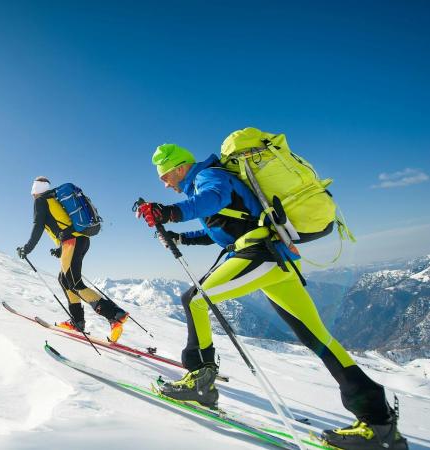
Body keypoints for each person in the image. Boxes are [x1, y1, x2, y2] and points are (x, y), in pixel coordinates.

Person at [135, 143, 407, 450]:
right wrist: (181, 236)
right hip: (273, 259)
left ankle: (200, 382)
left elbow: (213, 200)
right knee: (317, 338)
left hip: (260, 255)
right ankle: (379, 423)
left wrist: (171, 213)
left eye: (165, 176)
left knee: (195, 300)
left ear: (180, 167)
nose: (164, 183)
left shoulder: (208, 177)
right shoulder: (206, 183)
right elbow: (223, 229)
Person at [17, 176, 130, 342]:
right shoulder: (53, 198)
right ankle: (77, 321)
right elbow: (64, 224)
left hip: (72, 242)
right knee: (64, 279)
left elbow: (38, 225)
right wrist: (60, 249)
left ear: (35, 191)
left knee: (74, 283)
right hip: (80, 240)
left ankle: (115, 316)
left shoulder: (41, 201)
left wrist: (27, 248)